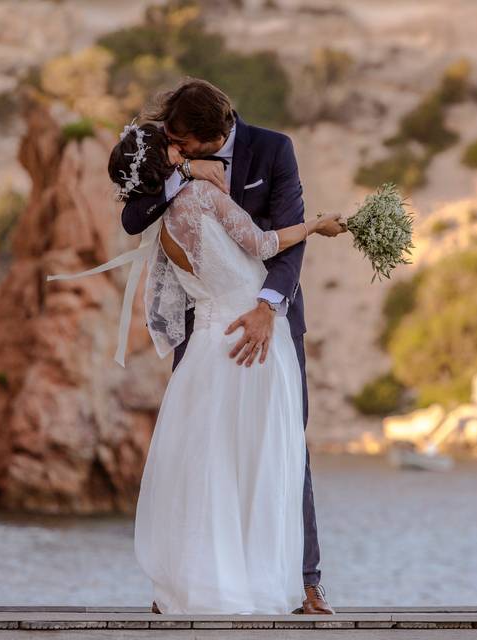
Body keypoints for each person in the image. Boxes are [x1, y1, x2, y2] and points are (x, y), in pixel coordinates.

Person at [118, 78, 342, 615]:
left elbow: (282, 249)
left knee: (282, 449)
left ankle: (304, 582)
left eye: (186, 143)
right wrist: (186, 173)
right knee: (203, 452)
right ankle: (189, 581)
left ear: (211, 131)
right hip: (207, 327)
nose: (179, 148)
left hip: (270, 319)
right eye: (172, 143)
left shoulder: (273, 150)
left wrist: (267, 308)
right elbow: (133, 216)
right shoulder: (173, 165)